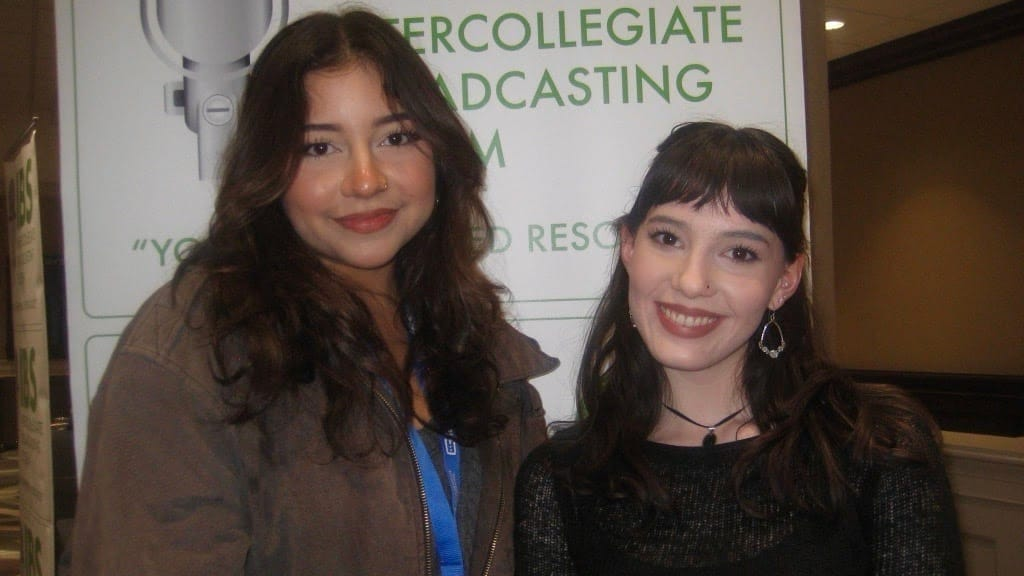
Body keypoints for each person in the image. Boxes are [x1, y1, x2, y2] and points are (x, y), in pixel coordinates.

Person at [70, 8, 557, 575]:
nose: (366, 179)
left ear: (439, 152)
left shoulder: (479, 346)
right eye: (320, 147)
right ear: (268, 167)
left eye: (396, 137)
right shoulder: (196, 350)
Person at [514, 122, 963, 575]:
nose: (692, 281)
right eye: (668, 238)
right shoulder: (560, 478)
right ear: (629, 246)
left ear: (784, 281)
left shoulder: (877, 447)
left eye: (740, 253)